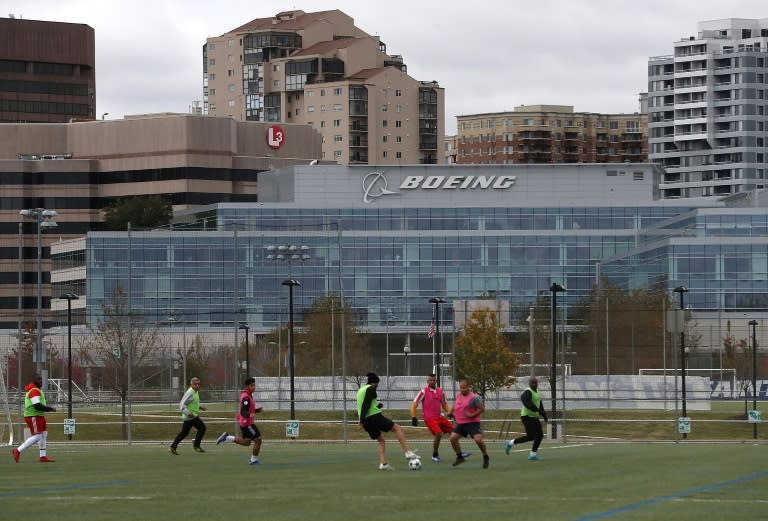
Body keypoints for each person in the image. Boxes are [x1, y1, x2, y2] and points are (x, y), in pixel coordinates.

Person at [357, 372, 420, 470]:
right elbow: (366, 404)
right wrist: (361, 420)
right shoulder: (371, 388)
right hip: (374, 417)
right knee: (397, 428)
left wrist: (376, 407)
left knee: (381, 440)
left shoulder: (361, 390)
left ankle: (383, 463)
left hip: (367, 421)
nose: (377, 387)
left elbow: (365, 404)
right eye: (377, 384)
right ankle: (407, 452)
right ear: (374, 383)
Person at [410, 373, 469, 462]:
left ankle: (459, 452)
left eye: (434, 380)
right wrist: (413, 417)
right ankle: (435, 455)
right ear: (427, 381)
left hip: (439, 417)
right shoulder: (423, 392)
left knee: (455, 432)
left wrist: (450, 412)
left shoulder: (440, 391)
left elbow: (444, 404)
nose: (432, 382)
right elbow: (414, 404)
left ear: (436, 381)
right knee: (439, 434)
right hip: (429, 418)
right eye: (430, 380)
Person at [216, 377, 264, 465]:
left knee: (247, 442)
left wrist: (256, 410)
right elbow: (243, 411)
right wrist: (249, 415)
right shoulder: (246, 397)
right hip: (247, 423)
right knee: (258, 440)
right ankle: (253, 460)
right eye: (252, 385)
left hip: (245, 422)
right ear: (247, 386)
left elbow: (248, 409)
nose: (254, 387)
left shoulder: (249, 395)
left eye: (254, 385)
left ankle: (227, 437)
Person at [12, 373, 56, 463]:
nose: (41, 381)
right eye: (39, 379)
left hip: (39, 415)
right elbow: (37, 406)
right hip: (33, 415)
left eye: (41, 379)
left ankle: (43, 456)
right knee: (38, 436)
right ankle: (17, 450)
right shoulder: (34, 390)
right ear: (34, 381)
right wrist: (51, 409)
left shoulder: (36, 390)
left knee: (44, 434)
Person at [504, 376, 547, 461]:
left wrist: (544, 414)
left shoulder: (537, 392)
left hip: (534, 417)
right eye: (533, 383)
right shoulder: (528, 391)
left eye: (536, 383)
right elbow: (525, 401)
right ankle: (510, 442)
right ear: (529, 384)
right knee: (531, 436)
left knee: (539, 435)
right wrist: (537, 410)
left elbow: (539, 403)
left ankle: (532, 455)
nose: (535, 384)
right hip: (526, 416)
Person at [449, 379, 489, 469]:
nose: (462, 390)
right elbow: (455, 406)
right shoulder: (458, 396)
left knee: (478, 440)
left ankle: (485, 456)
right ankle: (460, 457)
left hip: (472, 423)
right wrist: (450, 412)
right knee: (452, 438)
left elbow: (482, 409)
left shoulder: (474, 398)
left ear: (468, 387)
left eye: (464, 388)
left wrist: (472, 414)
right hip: (461, 423)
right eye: (461, 388)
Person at [169, 376, 207, 454]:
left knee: (184, 433)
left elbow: (191, 403)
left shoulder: (195, 392)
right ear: (191, 384)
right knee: (202, 428)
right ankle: (196, 445)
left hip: (191, 417)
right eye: (195, 384)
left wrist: (200, 407)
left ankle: (173, 447)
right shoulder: (189, 392)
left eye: (198, 384)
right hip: (191, 416)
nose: (197, 386)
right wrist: (189, 414)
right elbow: (182, 405)